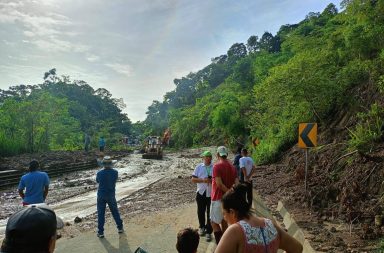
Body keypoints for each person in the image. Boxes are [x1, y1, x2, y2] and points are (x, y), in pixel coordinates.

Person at [215, 184, 303, 253]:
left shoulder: (234, 231)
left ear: (232, 212)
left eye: (224, 214)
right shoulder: (270, 225)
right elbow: (297, 248)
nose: (224, 218)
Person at [210, 146, 238, 244]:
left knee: (214, 223)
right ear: (226, 154)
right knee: (224, 222)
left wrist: (228, 193)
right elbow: (237, 184)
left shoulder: (216, 166)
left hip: (218, 198)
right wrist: (231, 194)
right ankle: (227, 245)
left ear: (217, 155)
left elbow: (219, 184)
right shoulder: (233, 167)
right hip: (229, 200)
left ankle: (220, 246)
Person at [96, 156, 123, 238]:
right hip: (111, 195)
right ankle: (120, 227)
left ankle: (100, 232)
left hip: (101, 195)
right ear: (111, 164)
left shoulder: (99, 173)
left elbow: (97, 181)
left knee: (101, 214)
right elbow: (114, 180)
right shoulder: (115, 172)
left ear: (103, 164)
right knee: (115, 211)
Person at [191, 150, 213, 242]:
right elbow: (193, 179)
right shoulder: (199, 167)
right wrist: (203, 180)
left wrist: (212, 180)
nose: (208, 158)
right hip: (201, 192)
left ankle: (209, 232)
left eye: (209, 156)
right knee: (200, 211)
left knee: (210, 213)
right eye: (206, 156)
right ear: (203, 158)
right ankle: (201, 227)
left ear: (211, 158)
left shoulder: (214, 167)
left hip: (211, 193)